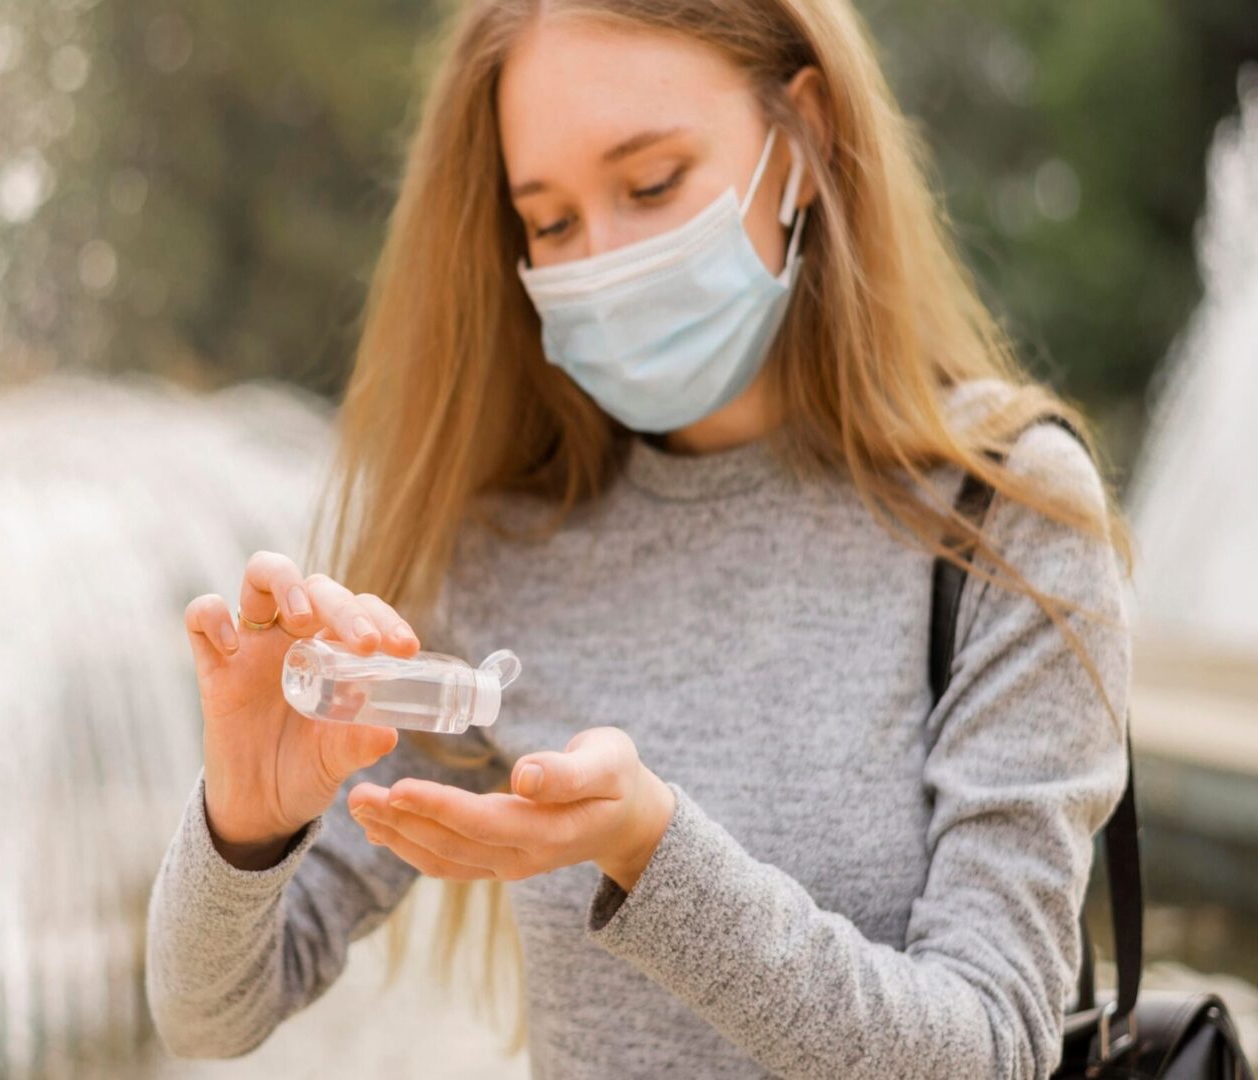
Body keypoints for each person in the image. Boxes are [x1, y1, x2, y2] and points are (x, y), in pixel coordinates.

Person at [146, 1, 1134, 1077]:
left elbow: (991, 1048)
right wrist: (243, 821)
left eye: (651, 183)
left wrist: (651, 850)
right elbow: (211, 1017)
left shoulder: (1004, 515)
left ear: (801, 139)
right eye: (552, 223)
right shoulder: (501, 546)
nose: (602, 264)